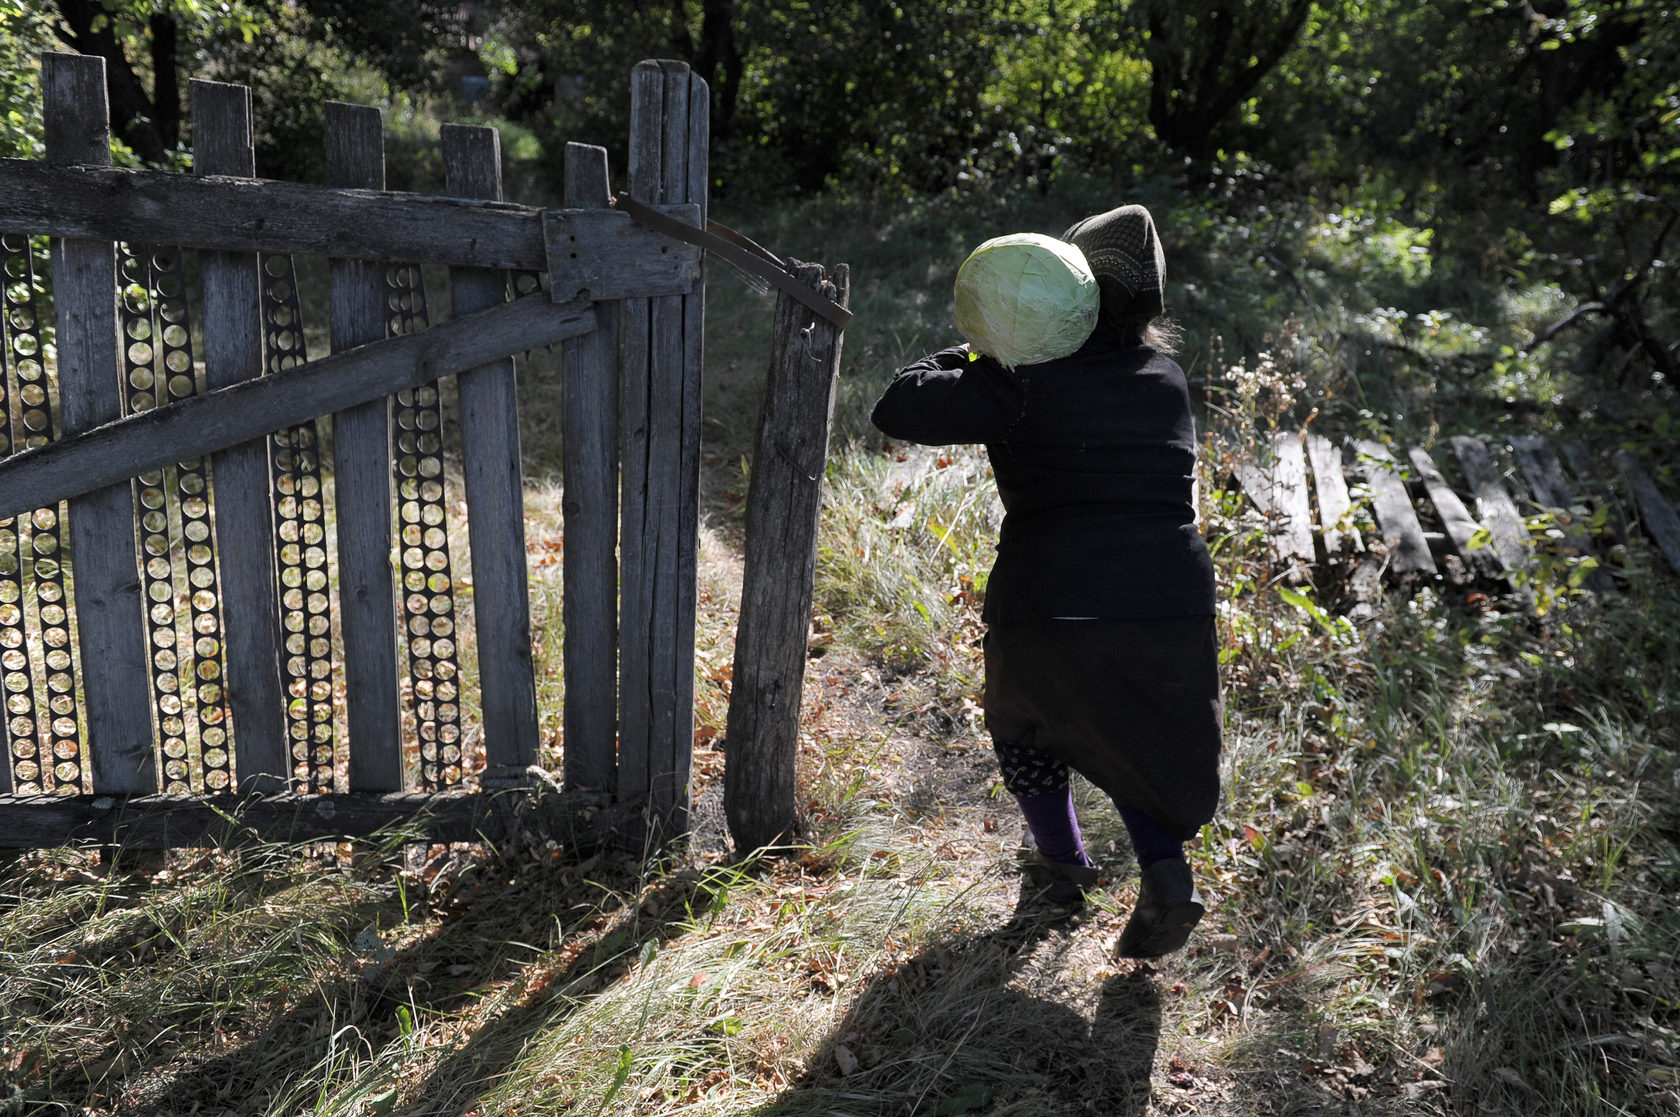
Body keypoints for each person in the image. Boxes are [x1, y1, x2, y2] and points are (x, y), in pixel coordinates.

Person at [870, 205, 1222, 959]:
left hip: (1055, 596)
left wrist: (986, 340)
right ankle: (1166, 871)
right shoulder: (1164, 376)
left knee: (1025, 726)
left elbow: (896, 403)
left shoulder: (1018, 380)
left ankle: (1061, 868)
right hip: (1171, 593)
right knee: (1132, 736)